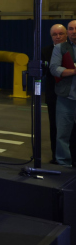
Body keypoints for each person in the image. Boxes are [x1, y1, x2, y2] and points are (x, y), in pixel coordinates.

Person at [50, 20, 76, 167]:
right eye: (71, 29)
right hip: (66, 98)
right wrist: (73, 71)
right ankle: (64, 164)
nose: (74, 31)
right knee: (62, 135)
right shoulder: (60, 48)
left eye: (75, 29)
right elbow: (54, 69)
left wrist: (66, 71)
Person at [42, 24, 67, 163]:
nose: (58, 37)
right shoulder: (45, 51)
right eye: (54, 34)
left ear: (66, 35)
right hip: (54, 95)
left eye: (61, 34)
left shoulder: (72, 49)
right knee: (55, 127)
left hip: (71, 95)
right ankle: (56, 157)